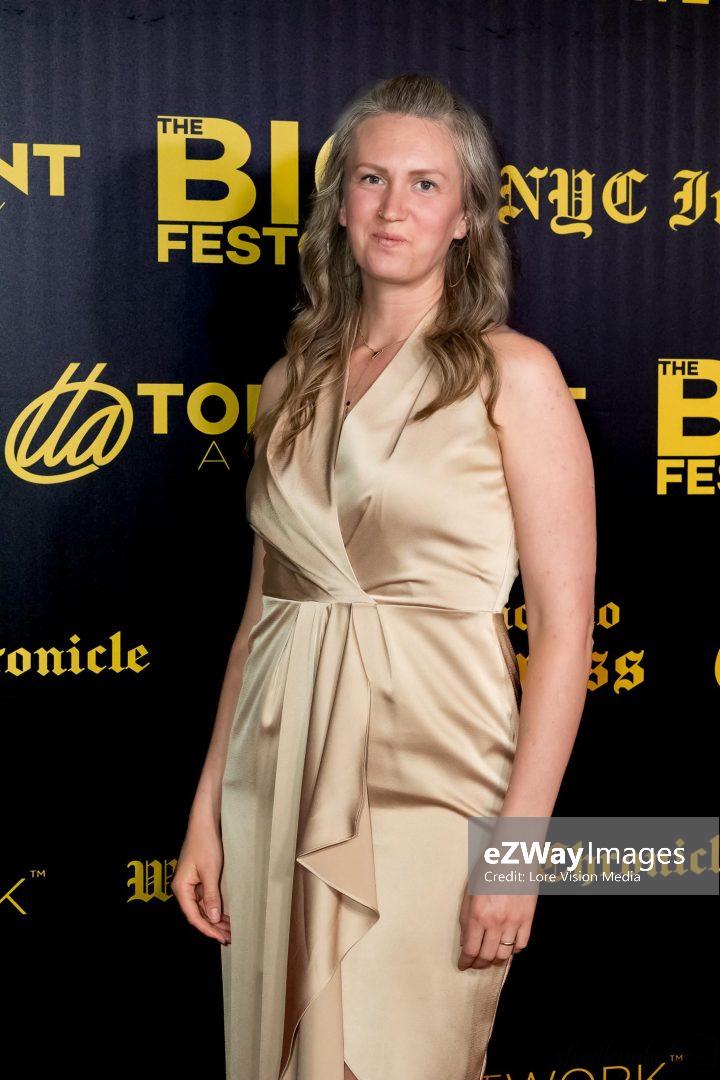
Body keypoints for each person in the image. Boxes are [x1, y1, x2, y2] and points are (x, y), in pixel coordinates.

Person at [172, 73, 596, 1080]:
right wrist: (207, 813)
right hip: (278, 765)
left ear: (465, 218)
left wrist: (518, 854)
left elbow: (565, 630)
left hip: (436, 778)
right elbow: (263, 613)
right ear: (339, 203)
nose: (393, 207)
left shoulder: (514, 374)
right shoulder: (288, 383)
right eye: (371, 179)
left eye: (424, 184)